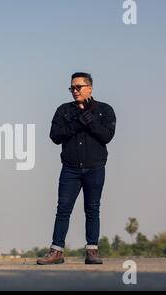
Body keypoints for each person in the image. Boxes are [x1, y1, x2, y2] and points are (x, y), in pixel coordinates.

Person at [37, 72, 116, 265]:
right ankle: (56, 252)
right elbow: (55, 136)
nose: (74, 91)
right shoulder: (64, 111)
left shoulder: (105, 110)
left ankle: (92, 252)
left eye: (78, 87)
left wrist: (89, 119)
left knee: (93, 209)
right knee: (63, 209)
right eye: (71, 87)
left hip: (95, 168)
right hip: (70, 169)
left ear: (89, 88)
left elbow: (107, 136)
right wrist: (78, 121)